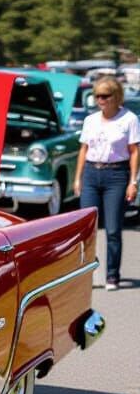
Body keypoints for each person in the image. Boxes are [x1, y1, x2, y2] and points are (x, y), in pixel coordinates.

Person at [73, 75, 139, 291]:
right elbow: (83, 149)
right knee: (87, 228)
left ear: (116, 96)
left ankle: (112, 276)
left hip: (116, 175)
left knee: (112, 229)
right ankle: (87, 274)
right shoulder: (90, 120)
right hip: (92, 173)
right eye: (97, 96)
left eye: (105, 96)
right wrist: (78, 178)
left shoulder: (129, 119)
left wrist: (133, 182)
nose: (101, 100)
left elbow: (134, 151)